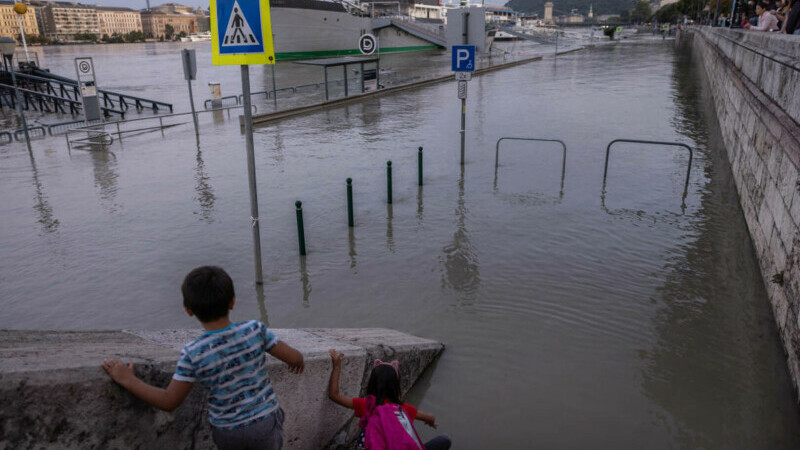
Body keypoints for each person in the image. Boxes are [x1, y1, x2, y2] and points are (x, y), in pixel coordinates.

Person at [102, 266, 305, 450]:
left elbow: (169, 401)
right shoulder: (254, 330)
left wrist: (128, 380)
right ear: (232, 302)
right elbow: (293, 357)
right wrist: (298, 361)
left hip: (228, 431)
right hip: (265, 423)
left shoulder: (193, 353)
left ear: (189, 310)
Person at [328, 349, 451, 450]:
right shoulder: (402, 409)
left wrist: (337, 366)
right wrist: (431, 422)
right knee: (444, 440)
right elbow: (429, 417)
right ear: (396, 386)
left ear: (372, 383)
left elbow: (335, 395)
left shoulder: (367, 405)